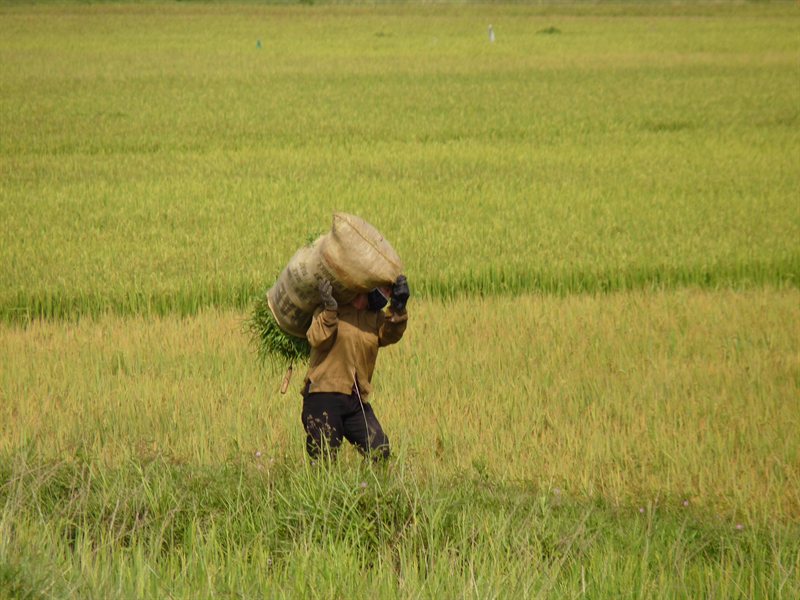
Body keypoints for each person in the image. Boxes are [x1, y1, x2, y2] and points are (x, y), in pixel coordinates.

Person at [301, 275, 410, 461]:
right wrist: (330, 309)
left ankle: (369, 489)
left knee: (380, 450)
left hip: (355, 400)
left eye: (388, 292)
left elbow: (390, 334)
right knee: (323, 459)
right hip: (323, 396)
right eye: (383, 290)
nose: (385, 295)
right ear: (365, 287)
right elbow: (315, 337)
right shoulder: (330, 309)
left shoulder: (374, 318)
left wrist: (398, 308)